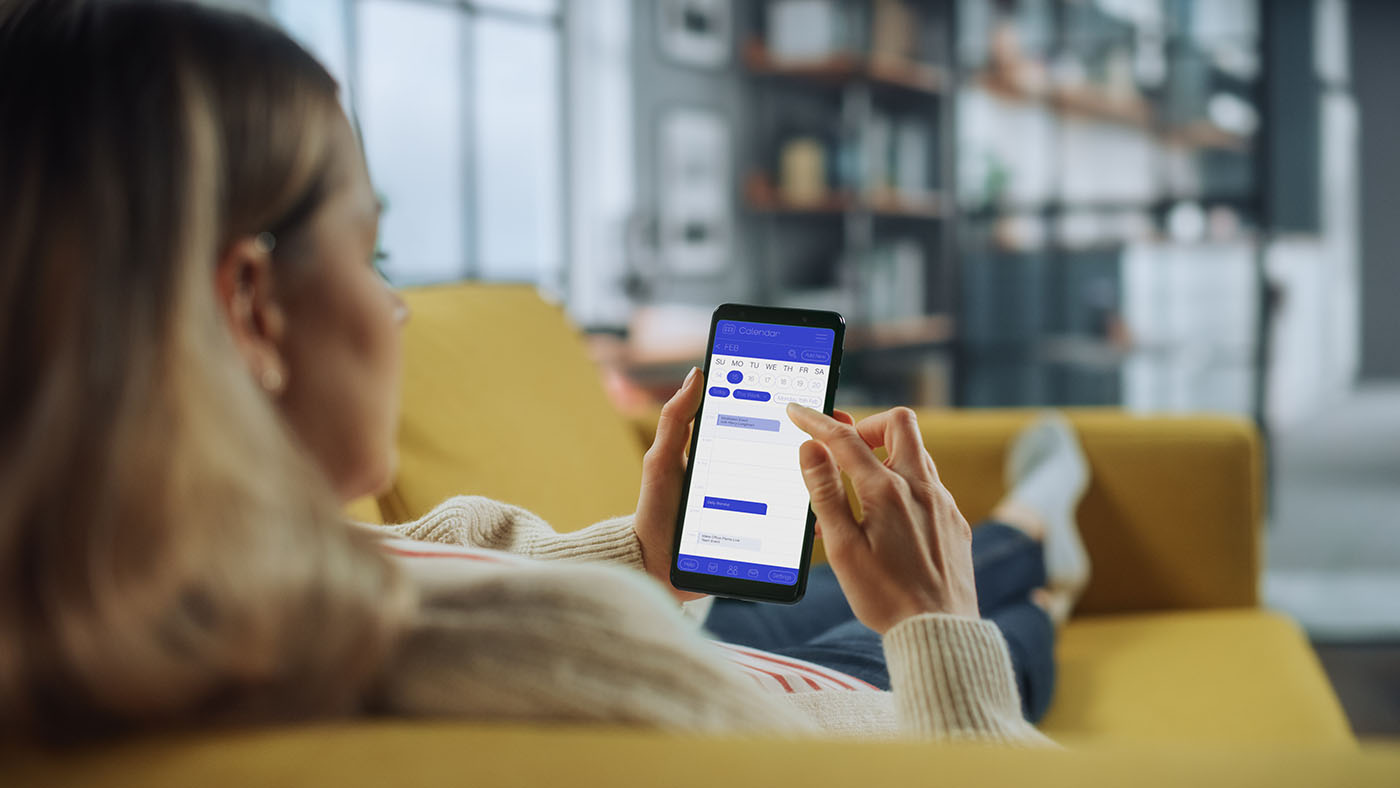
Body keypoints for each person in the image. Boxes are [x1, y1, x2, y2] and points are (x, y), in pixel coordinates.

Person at [0, 0, 1086, 745]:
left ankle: (1030, 533)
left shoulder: (118, 580)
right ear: (250, 305)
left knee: (817, 580)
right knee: (974, 614)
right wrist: (937, 629)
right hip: (794, 691)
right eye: (370, 253)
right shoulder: (547, 662)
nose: (397, 305)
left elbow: (432, 557)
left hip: (673, 627)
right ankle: (1040, 557)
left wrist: (646, 556)